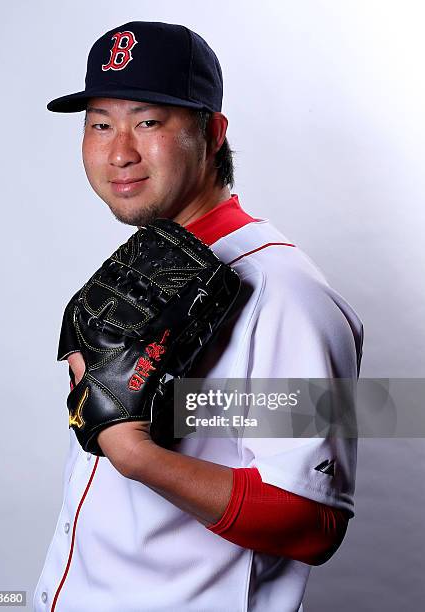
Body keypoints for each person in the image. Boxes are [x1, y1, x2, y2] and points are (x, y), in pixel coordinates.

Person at [34, 21, 364, 612]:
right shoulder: (147, 267)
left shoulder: (285, 294)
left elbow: (313, 524)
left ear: (213, 133)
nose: (119, 151)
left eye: (148, 122)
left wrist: (139, 457)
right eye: (100, 125)